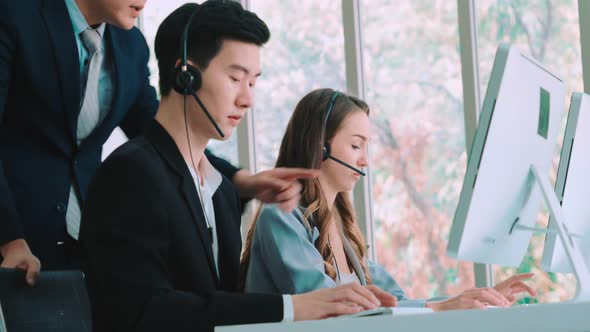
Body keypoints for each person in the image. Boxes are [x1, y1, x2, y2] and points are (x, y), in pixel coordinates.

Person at [79, 3, 397, 332]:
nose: (248, 99)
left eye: (253, 83)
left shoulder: (222, 191)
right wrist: (293, 306)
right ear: (185, 76)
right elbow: (142, 313)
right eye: (235, 78)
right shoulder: (130, 176)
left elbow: (223, 306)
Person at [0, 0, 312, 285]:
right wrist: (9, 239)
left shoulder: (129, 44)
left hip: (81, 242)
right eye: (235, 78)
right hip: (16, 239)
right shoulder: (15, 15)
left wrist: (241, 181)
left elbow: (159, 129)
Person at [241, 88, 537, 311]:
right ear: (321, 147)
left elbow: (399, 303)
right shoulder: (280, 217)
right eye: (356, 145)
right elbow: (333, 308)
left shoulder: (343, 235)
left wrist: (471, 299)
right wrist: (443, 307)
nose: (365, 160)